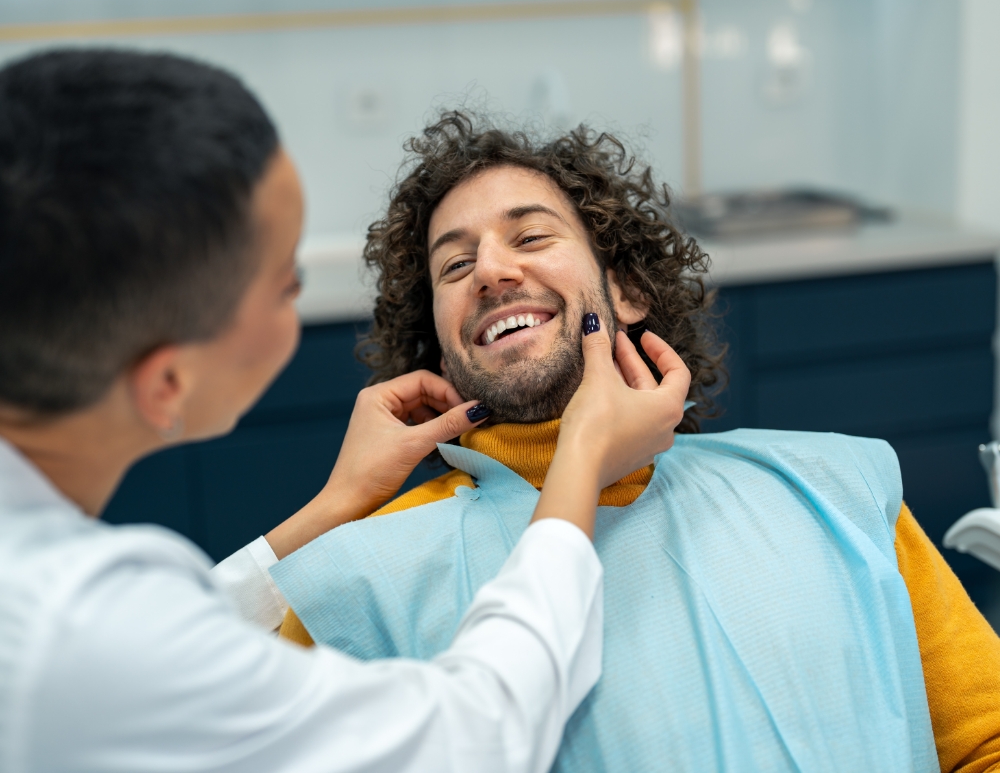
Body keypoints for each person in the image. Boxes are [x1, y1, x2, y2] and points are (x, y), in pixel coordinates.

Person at [0, 51, 694, 773]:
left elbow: (143, 659)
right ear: (166, 383)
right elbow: (476, 734)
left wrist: (333, 507)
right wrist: (581, 461)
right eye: (283, 283)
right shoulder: (70, 630)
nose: (491, 272)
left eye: (531, 237)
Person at [276, 112, 1000, 772]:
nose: (492, 272)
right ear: (439, 347)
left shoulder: (832, 494)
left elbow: (985, 741)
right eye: (455, 266)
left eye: (530, 236)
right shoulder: (357, 585)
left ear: (624, 292)